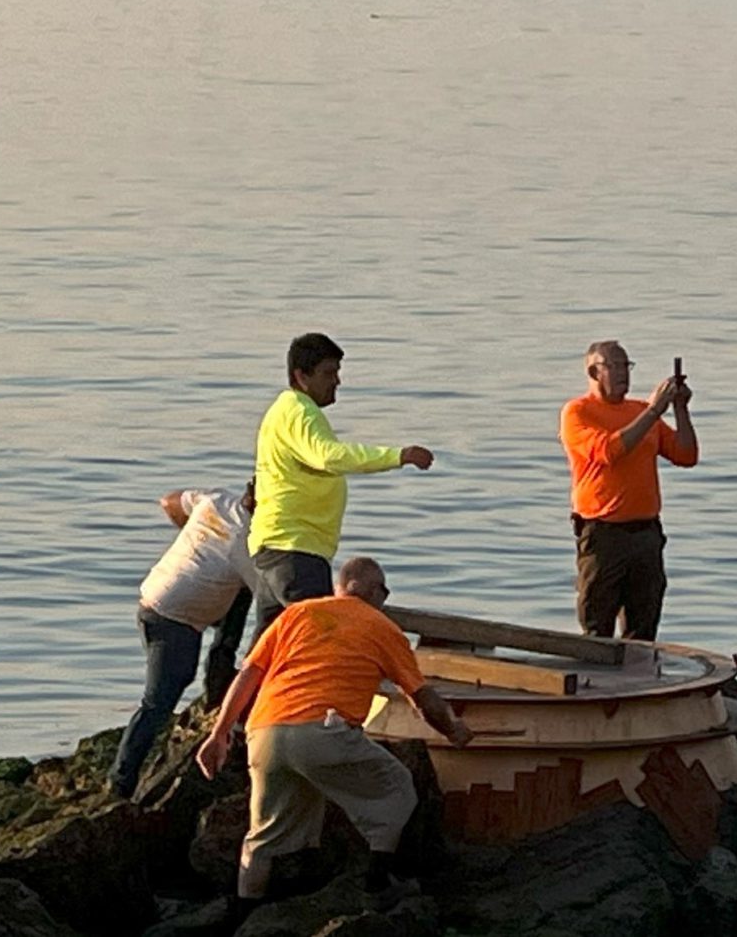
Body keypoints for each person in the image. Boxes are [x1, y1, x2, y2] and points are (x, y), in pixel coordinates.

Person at [197, 556, 471, 919]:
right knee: (398, 788)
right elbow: (423, 699)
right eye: (384, 590)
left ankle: (244, 916)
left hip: (265, 733)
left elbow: (248, 674)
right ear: (374, 591)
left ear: (340, 588)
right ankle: (377, 886)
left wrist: (218, 734)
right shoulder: (382, 627)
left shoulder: (296, 615)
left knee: (262, 837)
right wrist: (454, 731)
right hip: (322, 732)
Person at [249, 332, 433, 643]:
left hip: (274, 548)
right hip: (297, 550)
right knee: (322, 643)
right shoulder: (300, 411)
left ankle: (239, 693)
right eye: (328, 373)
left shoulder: (284, 411)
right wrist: (397, 456)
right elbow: (329, 456)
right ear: (301, 376)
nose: (337, 381)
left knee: (268, 650)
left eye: (337, 372)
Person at [109, 481, 260, 799]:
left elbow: (169, 502)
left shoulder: (217, 501)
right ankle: (121, 782)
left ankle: (219, 670)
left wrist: (193, 538)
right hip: (174, 620)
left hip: (155, 596)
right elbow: (269, 595)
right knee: (159, 702)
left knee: (238, 591)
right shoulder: (247, 543)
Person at [558, 339, 699, 640]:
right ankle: (598, 684)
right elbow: (609, 451)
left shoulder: (640, 410)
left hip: (645, 534)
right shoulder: (578, 412)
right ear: (595, 373)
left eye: (626, 365)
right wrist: (654, 411)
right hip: (603, 534)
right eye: (614, 366)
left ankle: (640, 681)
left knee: (643, 627)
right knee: (597, 628)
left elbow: (686, 455)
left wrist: (679, 409)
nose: (623, 373)